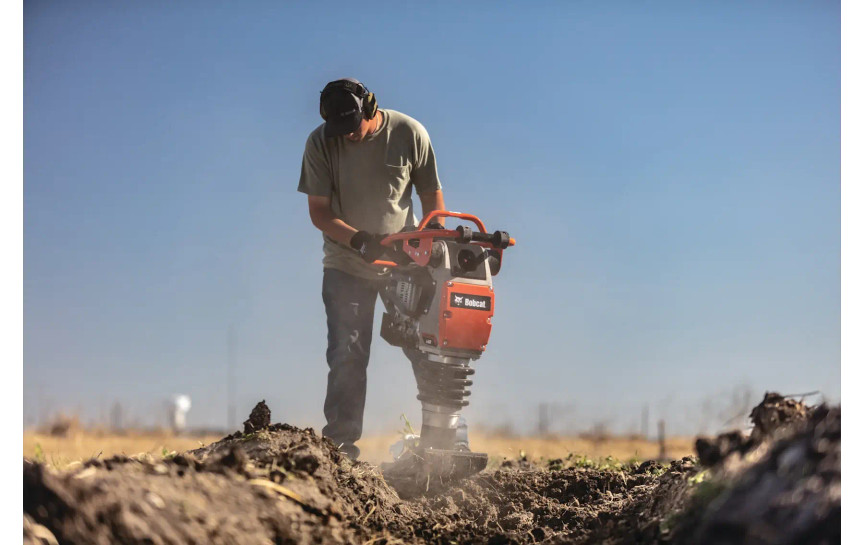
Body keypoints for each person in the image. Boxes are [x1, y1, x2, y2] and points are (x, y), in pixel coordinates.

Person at [297, 78, 447, 460]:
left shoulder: (409, 133)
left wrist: (425, 250)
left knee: (425, 346)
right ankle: (341, 449)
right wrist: (359, 241)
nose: (346, 136)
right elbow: (320, 212)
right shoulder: (320, 142)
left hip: (403, 263)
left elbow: (433, 202)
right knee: (348, 353)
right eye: (339, 130)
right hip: (347, 264)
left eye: (353, 127)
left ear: (369, 109)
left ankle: (442, 438)